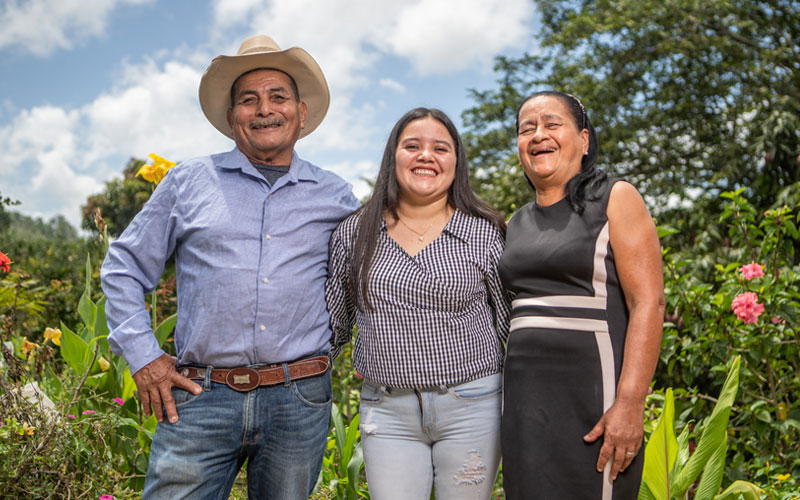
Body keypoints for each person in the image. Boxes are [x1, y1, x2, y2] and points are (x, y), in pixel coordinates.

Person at [101, 35, 359, 499]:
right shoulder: (187, 182)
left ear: (300, 113)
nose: (264, 109)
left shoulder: (335, 195)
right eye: (249, 99)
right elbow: (123, 267)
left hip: (299, 397)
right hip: (200, 397)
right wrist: (145, 357)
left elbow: (369, 276)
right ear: (230, 117)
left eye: (278, 97)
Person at [325, 108, 511, 500]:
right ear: (393, 156)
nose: (426, 155)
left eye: (440, 148)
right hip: (387, 409)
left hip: (472, 403)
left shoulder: (484, 232)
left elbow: (511, 323)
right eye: (413, 146)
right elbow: (334, 326)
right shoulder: (355, 232)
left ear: (455, 163)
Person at [498, 91, 665, 499]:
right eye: (526, 129)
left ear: (584, 139)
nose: (538, 135)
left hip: (594, 397)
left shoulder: (615, 197)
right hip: (523, 402)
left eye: (552, 124)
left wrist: (629, 404)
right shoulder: (514, 223)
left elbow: (649, 302)